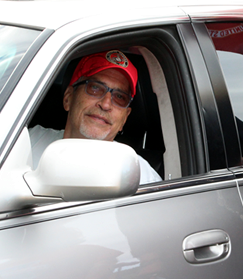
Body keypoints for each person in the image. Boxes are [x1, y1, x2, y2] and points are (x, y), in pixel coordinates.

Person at [30, 50, 162, 184]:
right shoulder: (26, 144)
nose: (105, 104)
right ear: (68, 98)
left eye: (119, 97)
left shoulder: (141, 177)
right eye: (95, 88)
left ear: (125, 118)